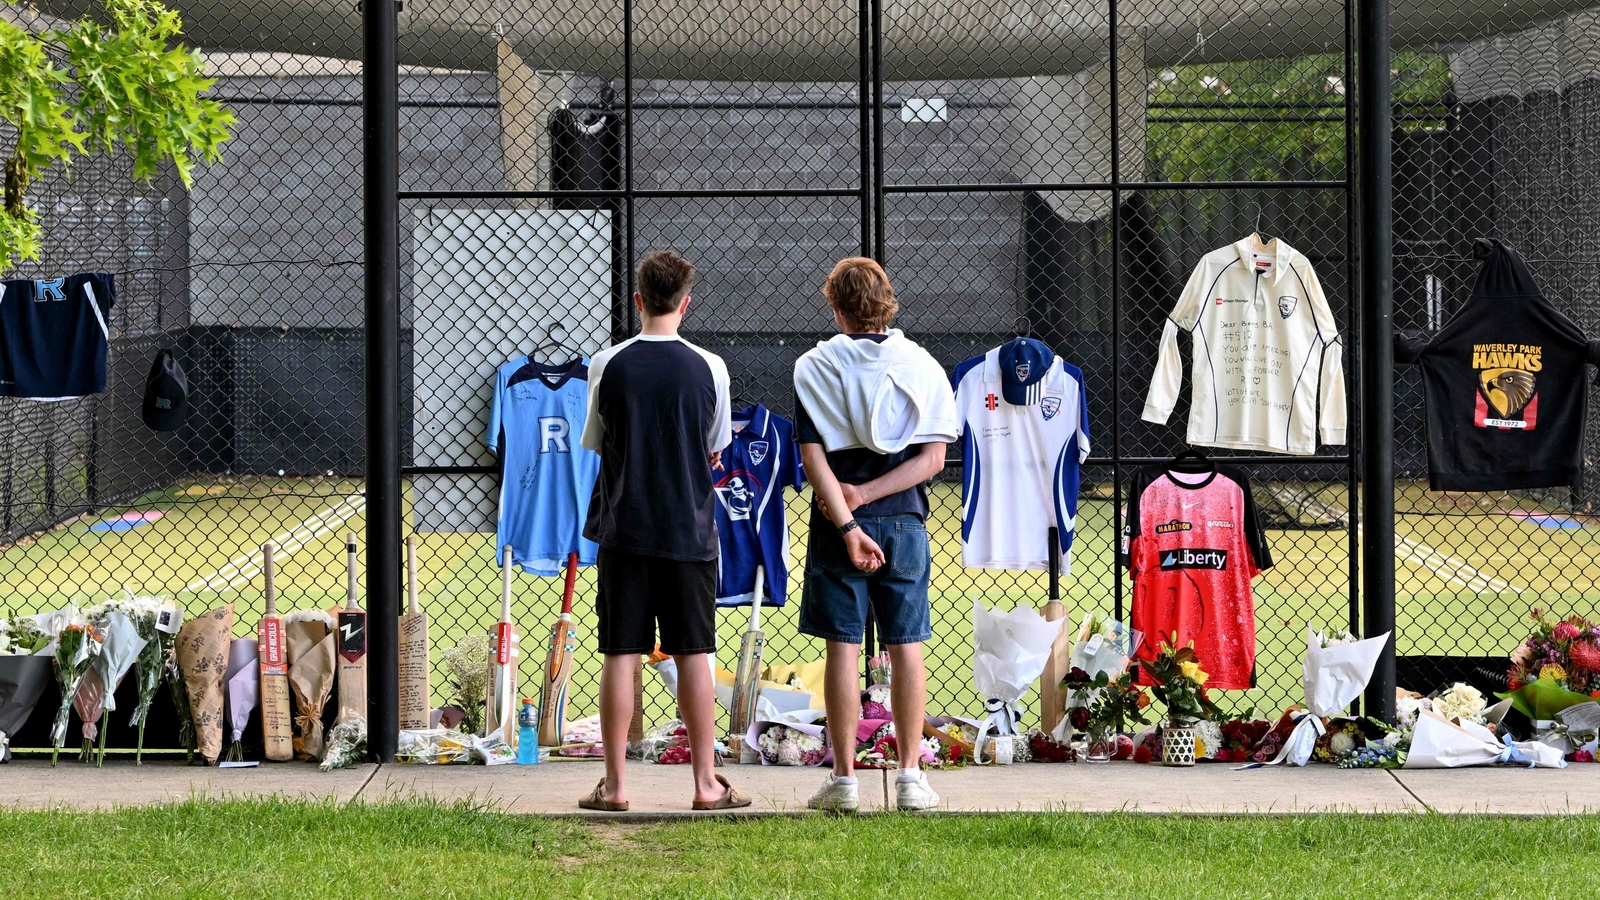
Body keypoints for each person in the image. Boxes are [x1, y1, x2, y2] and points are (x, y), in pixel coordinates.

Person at [577, 249, 750, 811]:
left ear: (638, 300)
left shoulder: (608, 362)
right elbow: (715, 444)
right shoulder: (711, 366)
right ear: (686, 303)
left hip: (624, 528)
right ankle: (705, 784)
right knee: (693, 653)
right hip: (689, 531)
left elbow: (599, 440)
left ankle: (617, 786)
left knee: (620, 655)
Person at [792, 257, 958, 811]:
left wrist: (848, 512)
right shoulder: (923, 365)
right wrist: (875, 494)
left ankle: (843, 781)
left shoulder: (814, 366)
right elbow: (933, 458)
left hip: (838, 522)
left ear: (836, 309)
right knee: (906, 644)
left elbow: (813, 458)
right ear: (887, 303)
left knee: (842, 645)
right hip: (905, 519)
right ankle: (911, 779)